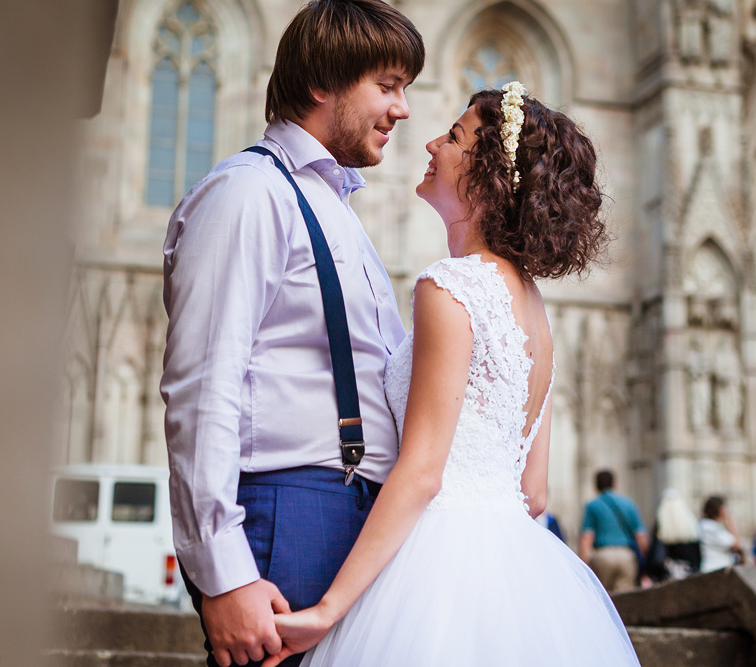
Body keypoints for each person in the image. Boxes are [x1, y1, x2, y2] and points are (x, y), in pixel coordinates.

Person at [262, 84, 640, 665]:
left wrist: (328, 611)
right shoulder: (535, 311)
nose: (433, 143)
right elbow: (534, 493)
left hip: (435, 562)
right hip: (518, 568)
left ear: (489, 176)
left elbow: (421, 473)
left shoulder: (451, 287)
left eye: (455, 136)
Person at [159, 2, 424, 666]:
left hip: (353, 518)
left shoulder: (336, 206)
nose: (402, 109)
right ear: (321, 83)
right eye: (387, 86)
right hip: (290, 511)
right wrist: (224, 574)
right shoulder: (247, 192)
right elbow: (203, 387)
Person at [579, 469, 649, 593]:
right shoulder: (628, 504)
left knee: (603, 596)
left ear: (596, 485)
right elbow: (641, 535)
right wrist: (647, 559)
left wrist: (583, 565)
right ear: (614, 484)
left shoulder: (593, 505)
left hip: (602, 556)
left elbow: (587, 538)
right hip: (626, 555)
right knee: (626, 596)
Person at [645, 488, 701, 582]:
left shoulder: (661, 525)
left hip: (668, 573)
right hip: (687, 571)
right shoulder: (690, 524)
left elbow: (654, 553)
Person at [699, 495, 743, 573]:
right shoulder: (709, 527)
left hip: (718, 568)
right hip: (715, 569)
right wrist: (730, 521)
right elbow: (736, 545)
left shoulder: (711, 525)